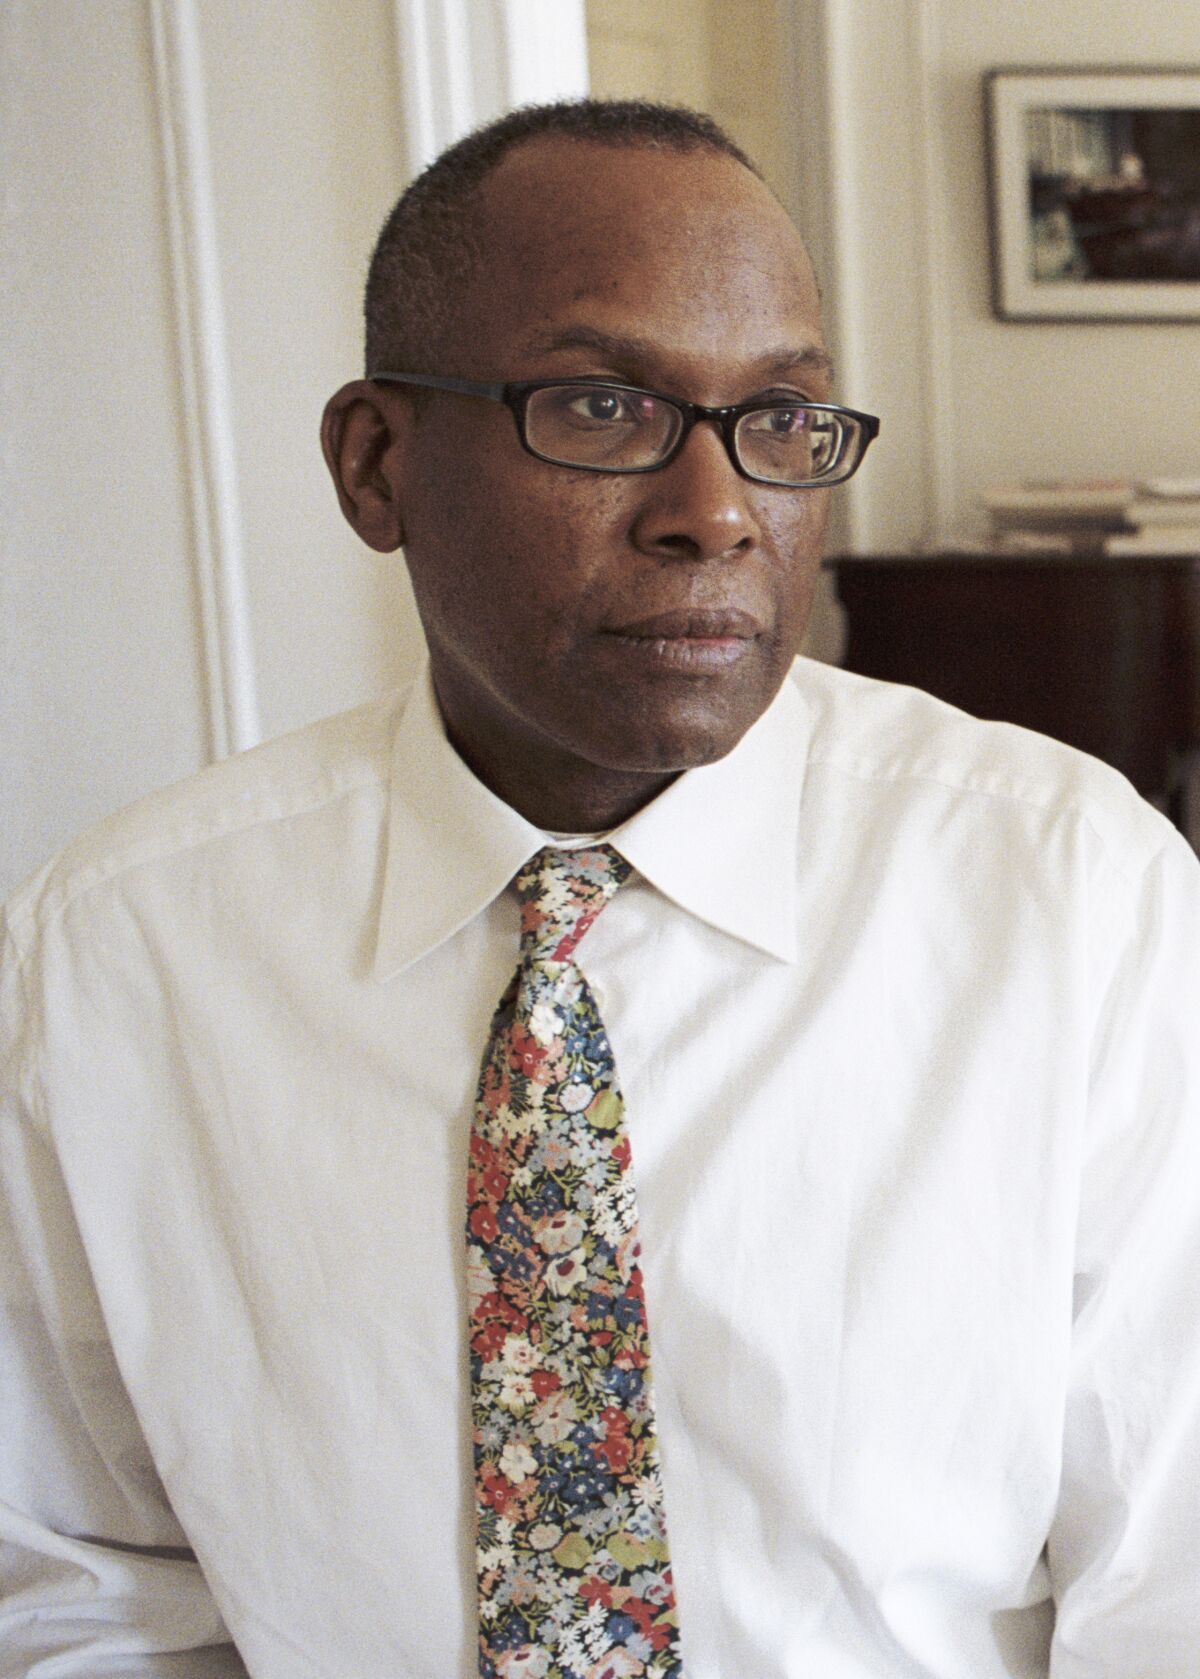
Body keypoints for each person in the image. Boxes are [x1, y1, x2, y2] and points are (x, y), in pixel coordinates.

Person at [2, 98, 1199, 1679]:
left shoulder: (1071, 898)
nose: (714, 513)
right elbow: (82, 1579)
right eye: (601, 406)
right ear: (377, 464)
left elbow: (1170, 1586)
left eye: (780, 421)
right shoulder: (120, 958)